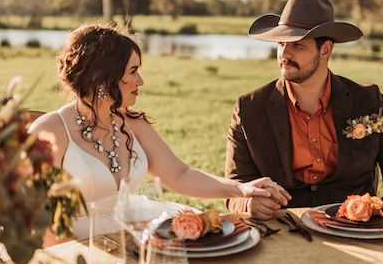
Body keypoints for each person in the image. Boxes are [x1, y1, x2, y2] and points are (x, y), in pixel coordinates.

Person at [29, 24, 290, 238]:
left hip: (133, 231)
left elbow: (179, 174)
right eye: (133, 71)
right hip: (72, 243)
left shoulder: (132, 123)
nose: (140, 81)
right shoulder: (50, 131)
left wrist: (240, 189)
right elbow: (34, 217)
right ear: (101, 77)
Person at [224, 0, 383, 219]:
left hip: (353, 231)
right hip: (282, 230)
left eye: (297, 45)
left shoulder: (368, 101)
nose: (284, 54)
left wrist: (379, 219)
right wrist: (245, 204)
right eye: (281, 44)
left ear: (325, 50)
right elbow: (234, 186)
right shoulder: (250, 108)